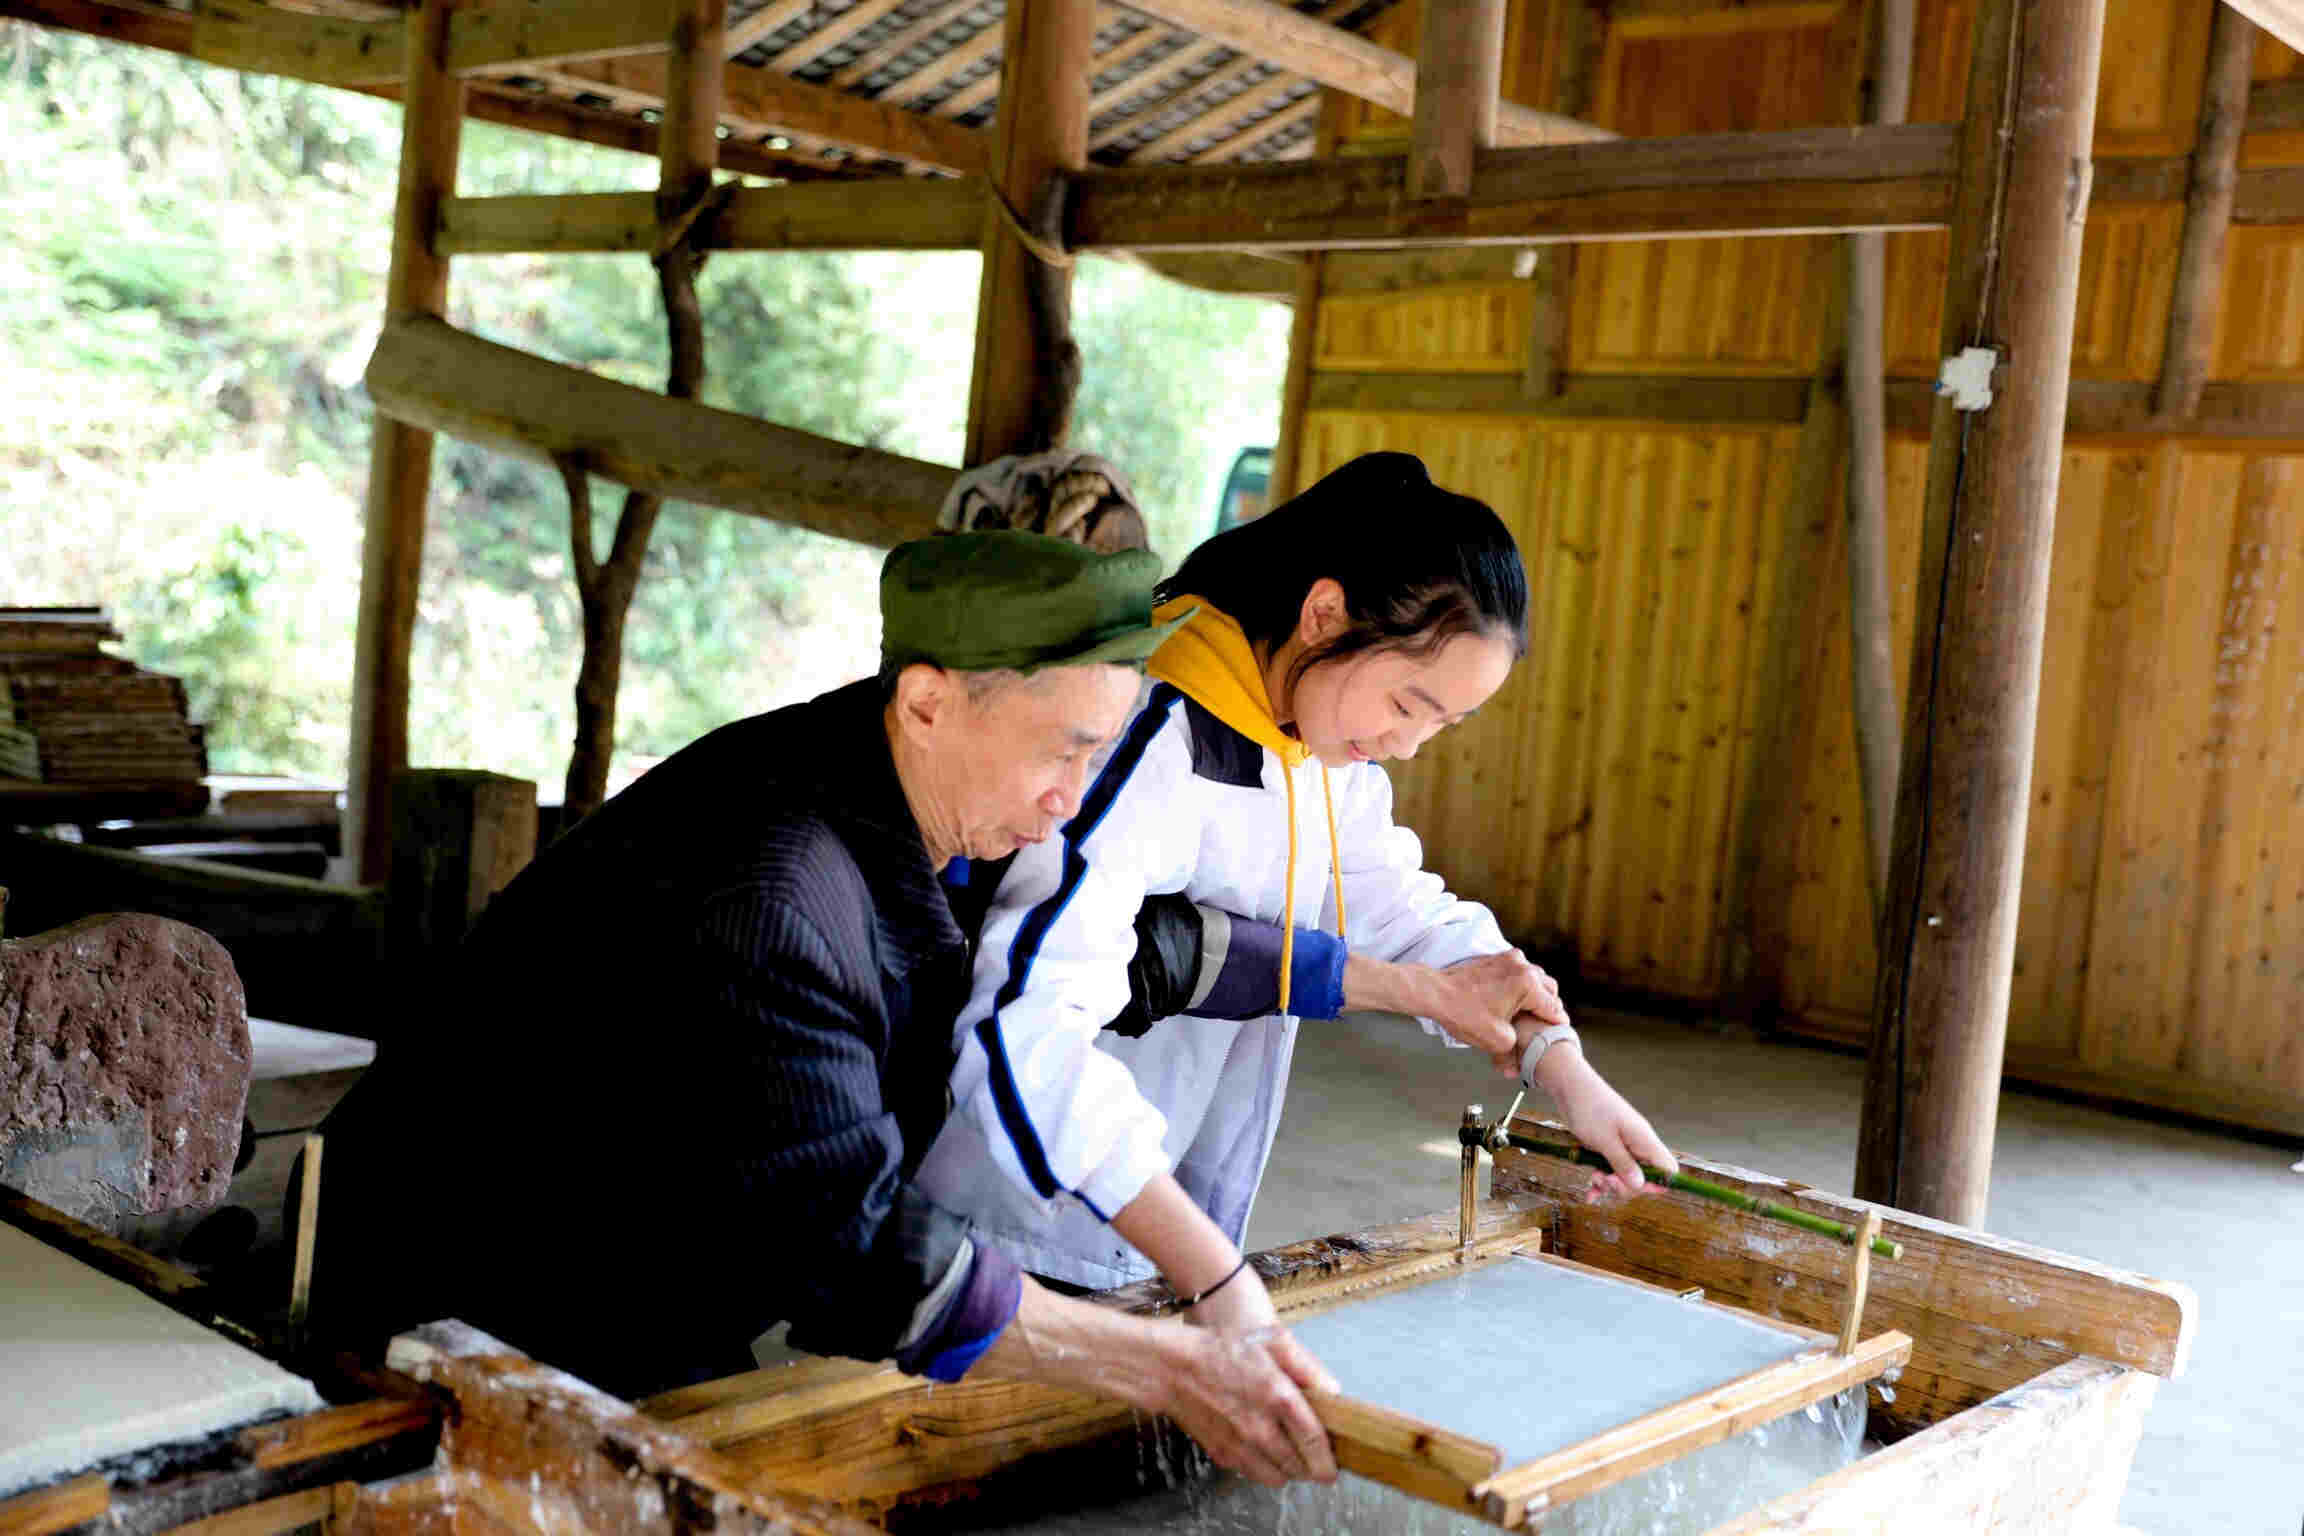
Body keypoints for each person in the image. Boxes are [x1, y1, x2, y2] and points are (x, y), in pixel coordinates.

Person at [312, 532, 1343, 1489]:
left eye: (1100, 756)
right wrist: (1170, 1369)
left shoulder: (931, 784)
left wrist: (1393, 989)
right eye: (1063, 752)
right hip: (458, 1299)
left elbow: (1124, 959)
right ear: (932, 702)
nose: (1073, 799)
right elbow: (854, 1253)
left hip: (648, 1244)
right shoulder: (776, 895)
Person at [914, 452, 1677, 1311]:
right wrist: (1213, 1271)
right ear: (1323, 613)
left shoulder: (1316, 753)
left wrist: (1566, 1071)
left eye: (1445, 724)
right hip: (1026, 1231)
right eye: (1408, 705)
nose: (1411, 743)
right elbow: (1025, 1027)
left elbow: (1406, 911)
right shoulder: (1153, 733)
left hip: (1160, 1241)